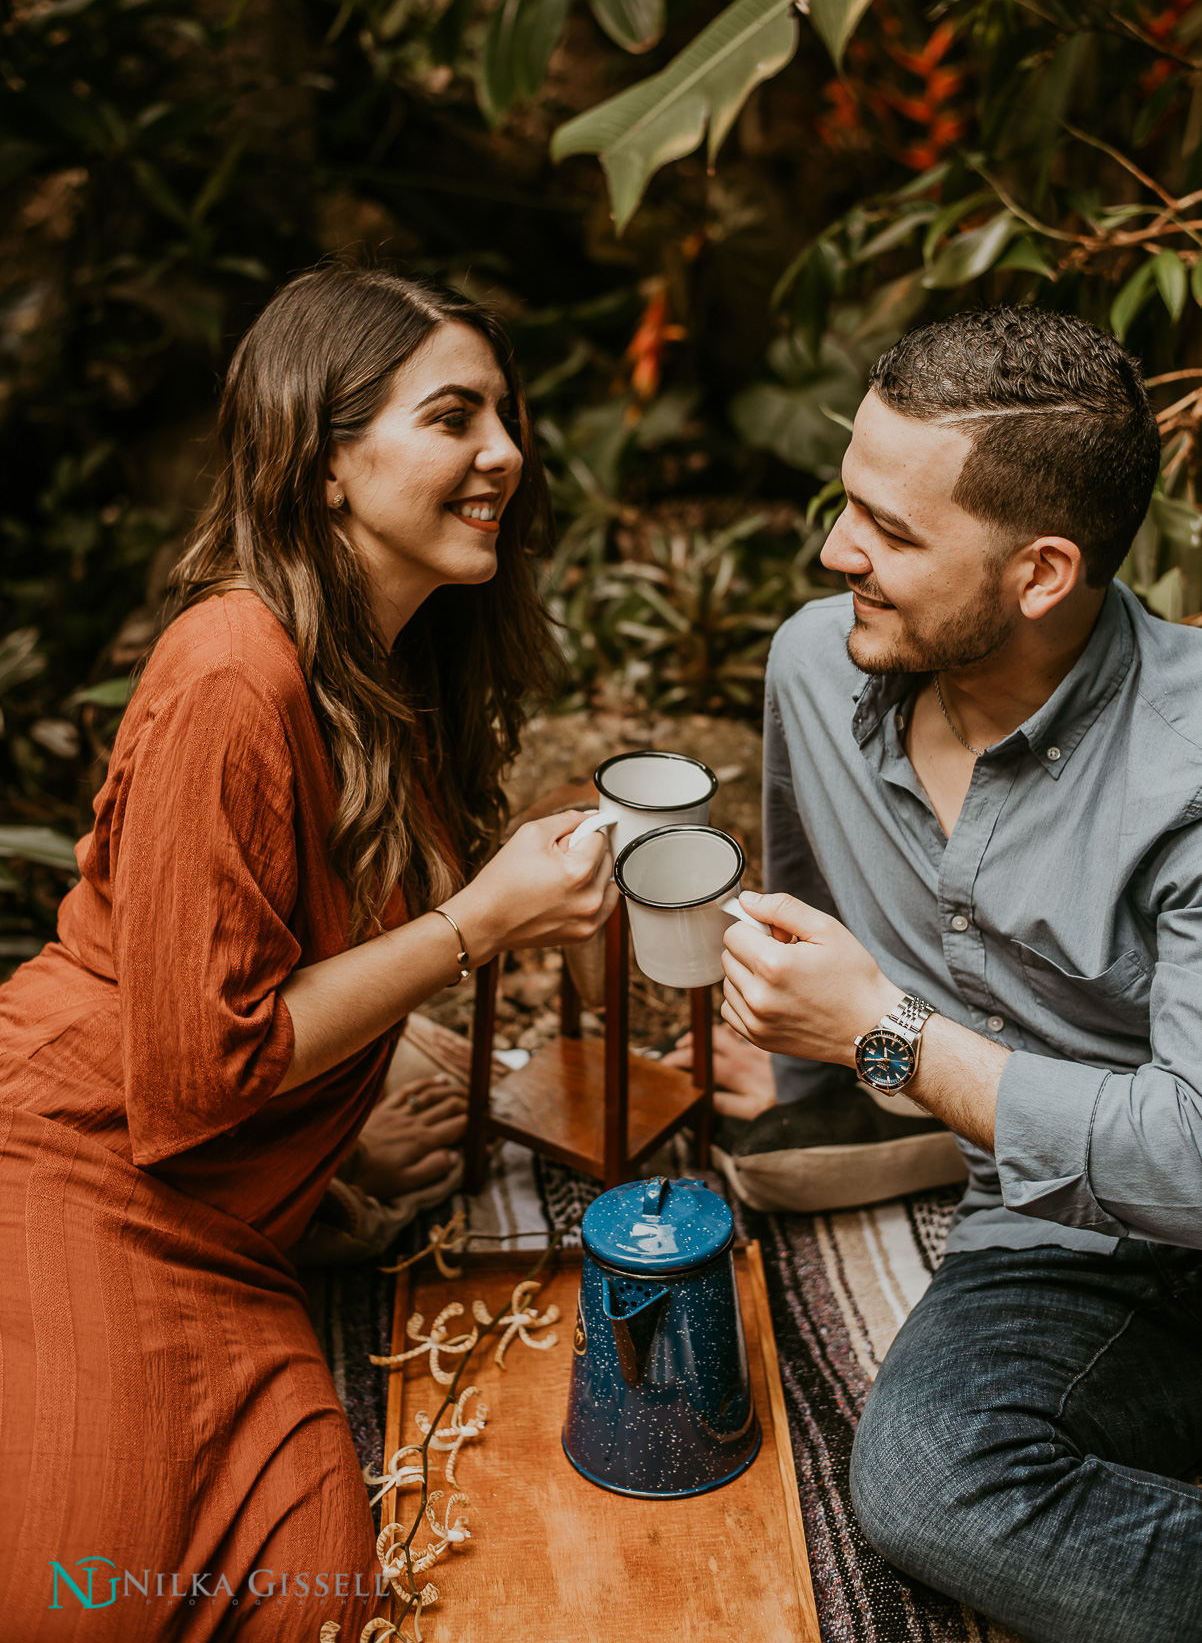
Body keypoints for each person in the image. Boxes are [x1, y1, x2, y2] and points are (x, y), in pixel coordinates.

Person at [0, 265, 615, 1640]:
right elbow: (201, 1071)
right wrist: (479, 923)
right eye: (453, 417)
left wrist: (335, 1145)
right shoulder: (232, 668)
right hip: (79, 1171)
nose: (504, 452)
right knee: (77, 1606)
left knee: (316, 1600)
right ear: (324, 461)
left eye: (504, 416)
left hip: (241, 1233)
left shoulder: (401, 672)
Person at [719, 307, 1202, 1643]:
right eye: (844, 502)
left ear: (1041, 572)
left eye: (891, 531)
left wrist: (886, 1037)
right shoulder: (817, 671)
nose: (835, 552)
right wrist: (783, 1032)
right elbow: (814, 919)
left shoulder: (1190, 765)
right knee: (930, 1482)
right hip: (1059, 1240)